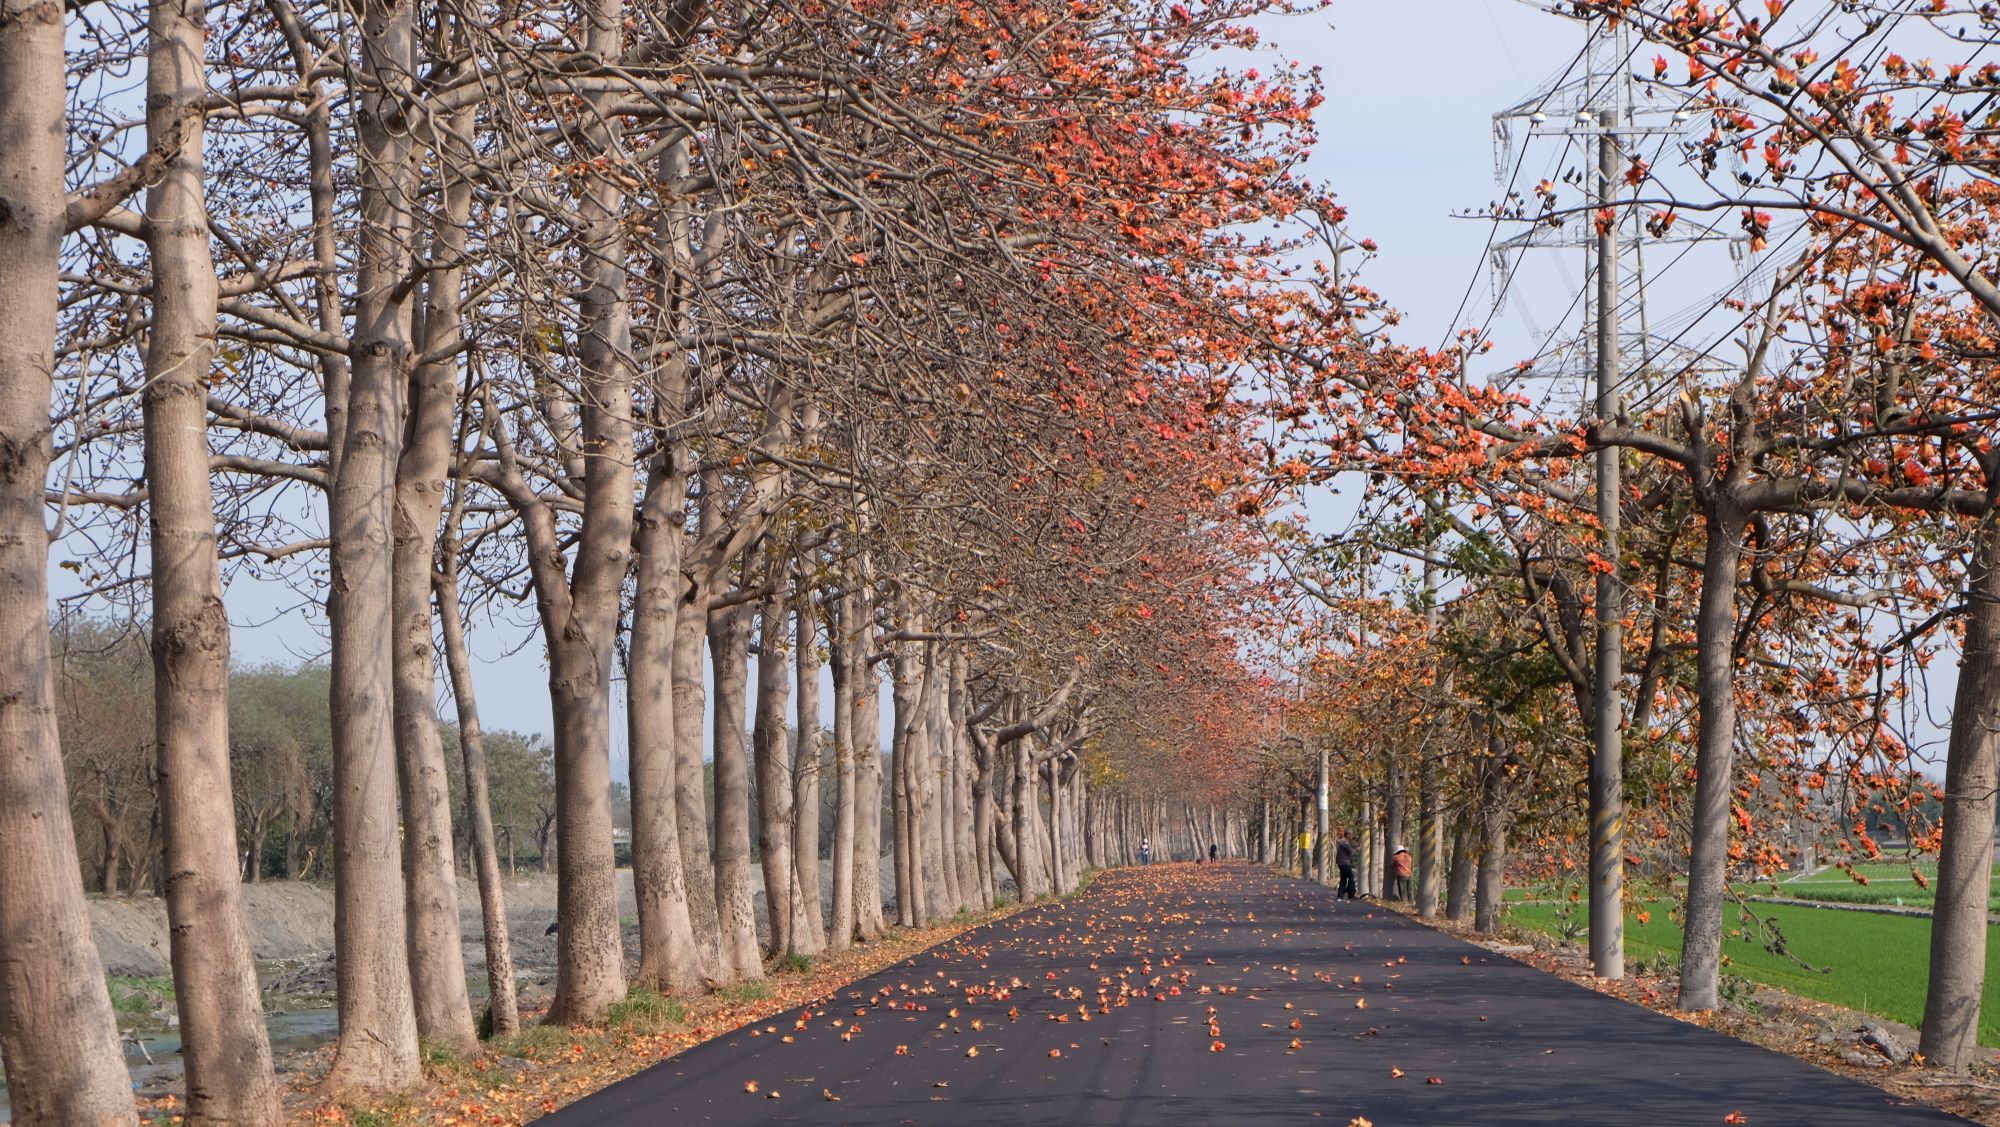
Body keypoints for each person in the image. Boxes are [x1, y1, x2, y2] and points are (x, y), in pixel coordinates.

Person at [1334, 830, 1357, 900]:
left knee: (1343, 879)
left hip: (1341, 863)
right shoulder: (1345, 842)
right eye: (1351, 834)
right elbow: (1351, 851)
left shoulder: (1342, 842)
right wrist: (1358, 849)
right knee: (1351, 878)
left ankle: (1340, 895)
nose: (1352, 836)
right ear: (1347, 835)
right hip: (1345, 863)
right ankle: (1351, 894)